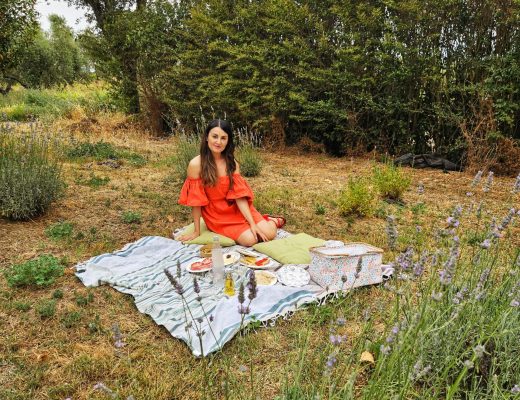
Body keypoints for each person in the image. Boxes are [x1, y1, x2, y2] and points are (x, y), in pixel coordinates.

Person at [177, 119, 286, 247]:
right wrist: (196, 231)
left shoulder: (231, 163)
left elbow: (239, 196)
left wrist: (252, 224)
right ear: (207, 137)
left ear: (228, 141)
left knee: (270, 233)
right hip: (217, 215)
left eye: (223, 138)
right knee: (251, 240)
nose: (218, 142)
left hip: (237, 208)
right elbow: (196, 202)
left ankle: (272, 220)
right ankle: (260, 224)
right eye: (215, 136)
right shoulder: (195, 164)